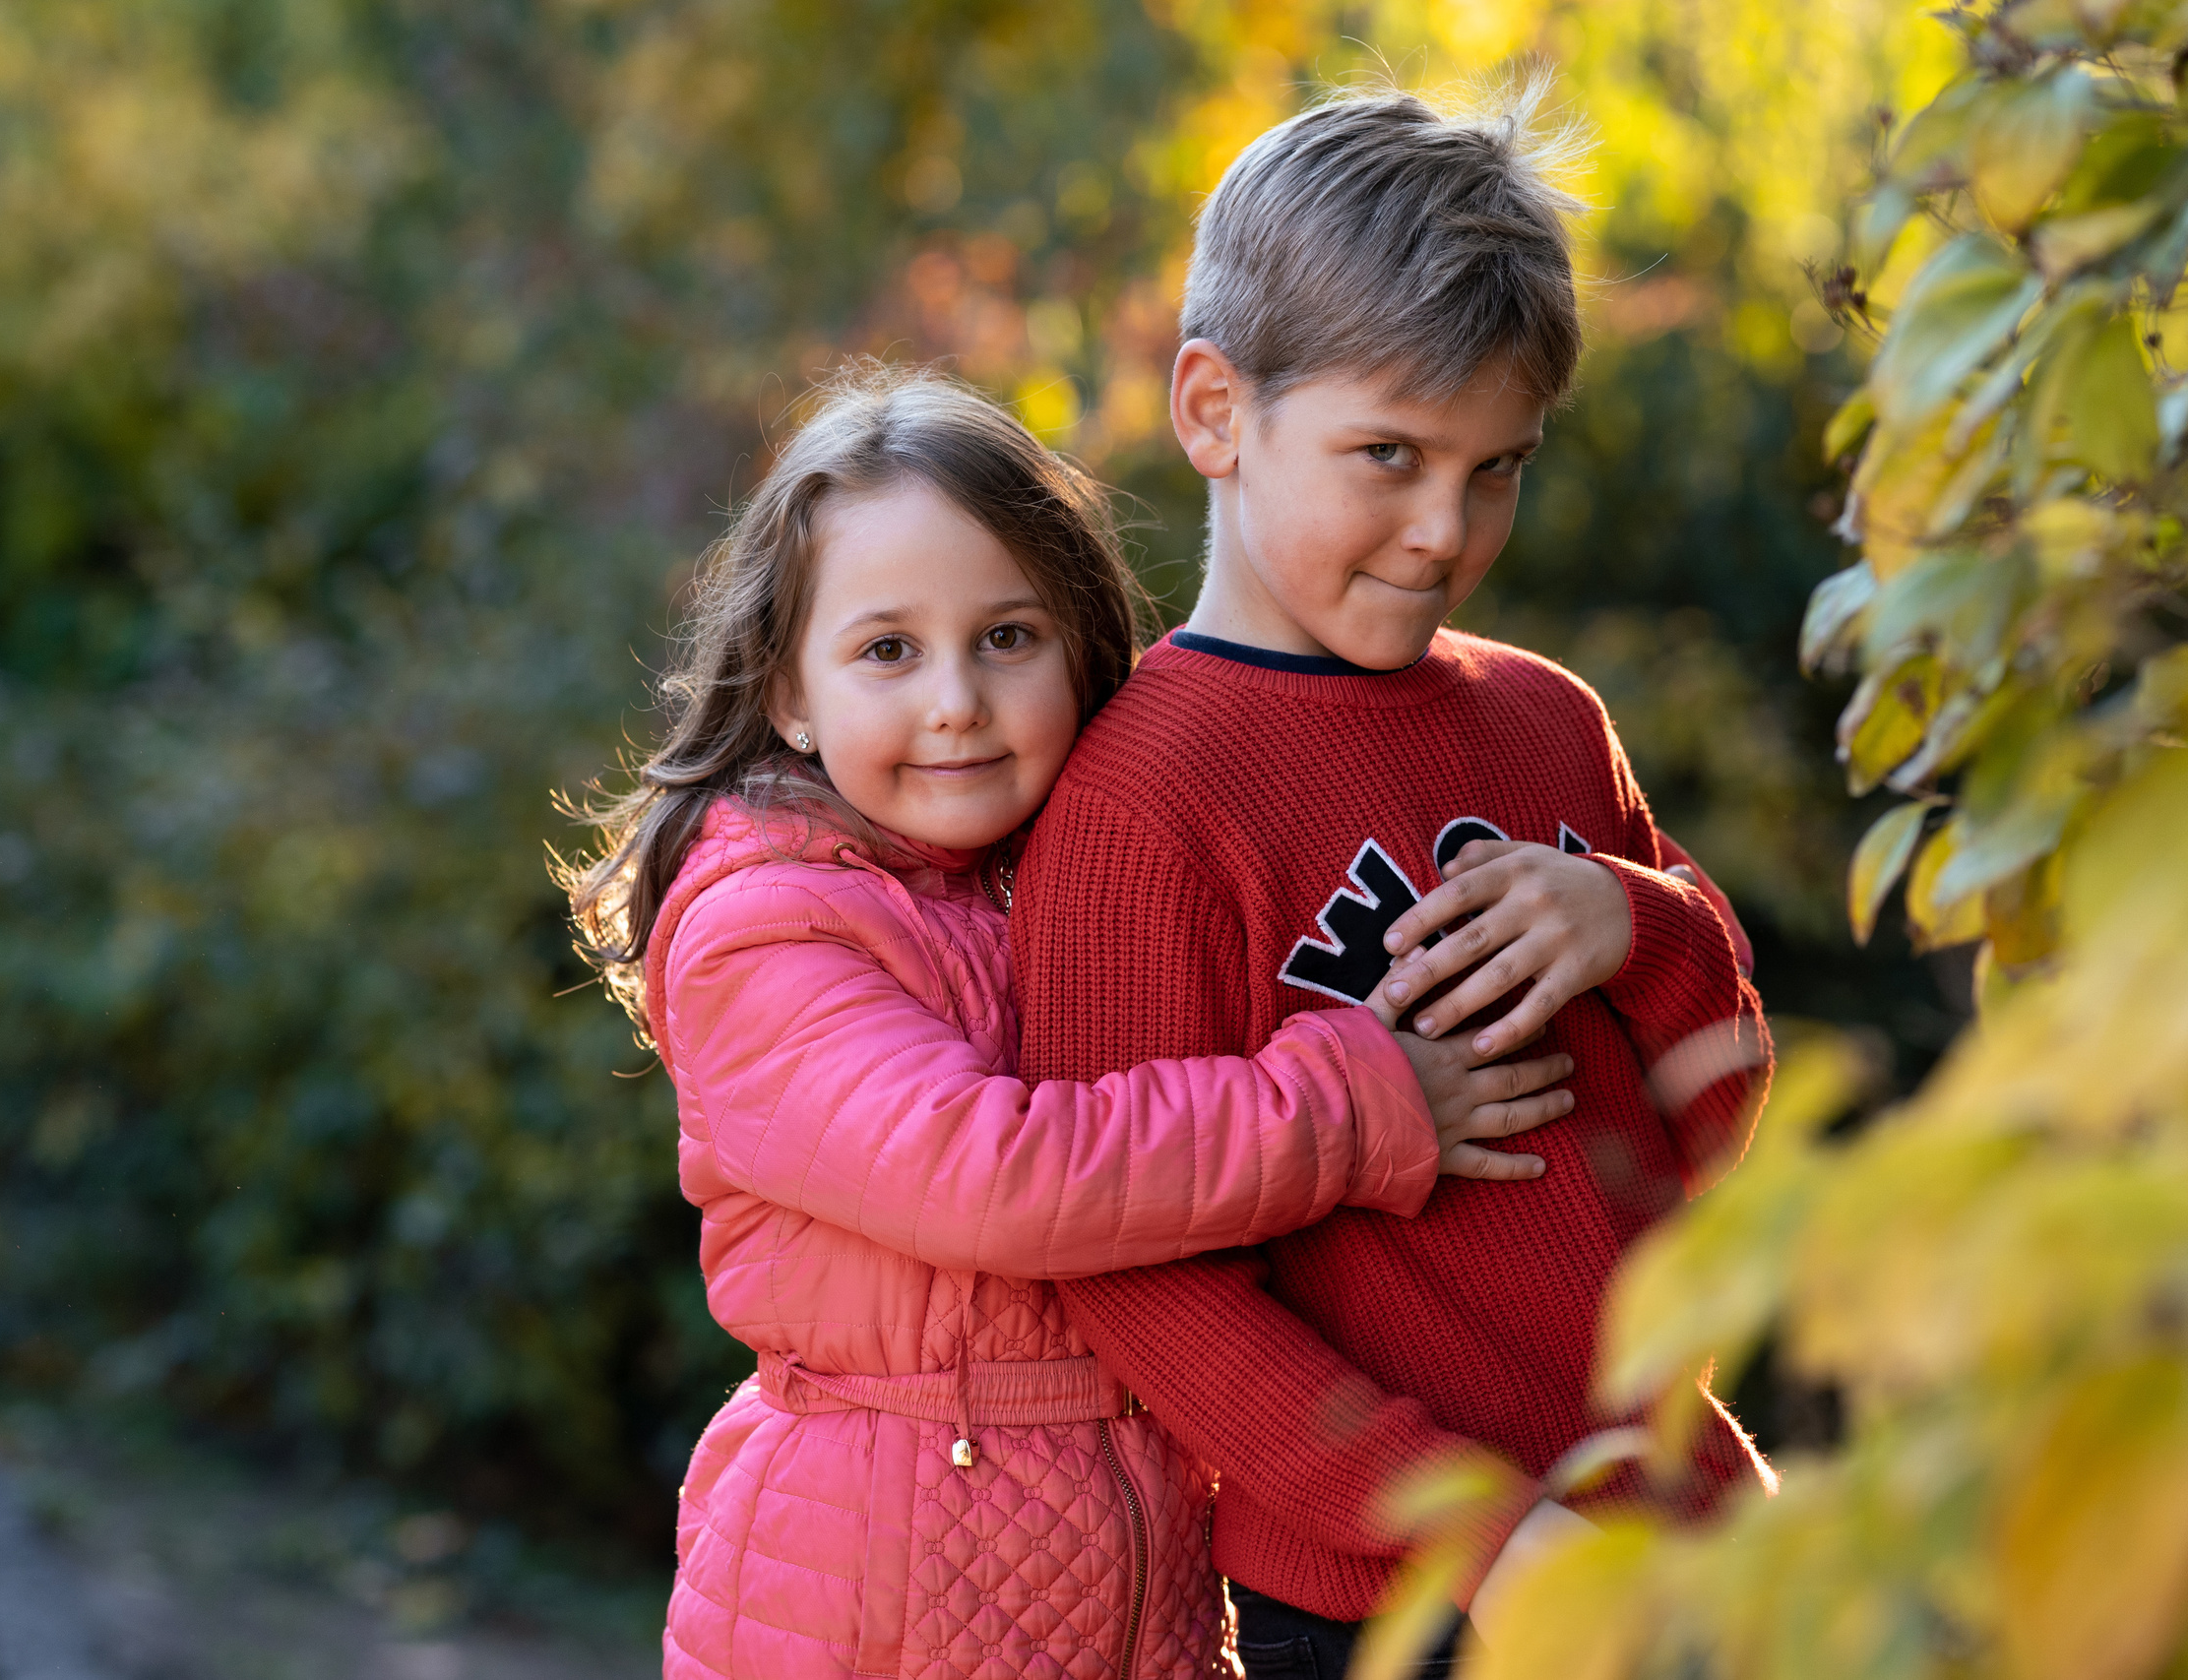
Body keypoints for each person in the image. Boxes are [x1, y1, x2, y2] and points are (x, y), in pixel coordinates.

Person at [559, 367, 1594, 1680]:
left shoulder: (1068, 886)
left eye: (1007, 637)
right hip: (867, 1605)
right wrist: (1350, 1105)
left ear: (1081, 650)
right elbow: (993, 1175)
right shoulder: (765, 930)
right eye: (888, 651)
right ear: (790, 695)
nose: (955, 700)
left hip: (1129, 1589)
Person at [1010, 81, 1778, 1680]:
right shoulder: (1145, 802)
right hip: (1403, 1606)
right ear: (1215, 411)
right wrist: (1486, 1537)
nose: (1444, 530)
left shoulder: (1551, 723)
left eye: (1498, 467)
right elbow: (1139, 1283)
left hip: (1690, 1544)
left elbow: (1720, 1124)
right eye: (1390, 455)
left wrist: (1638, 925)